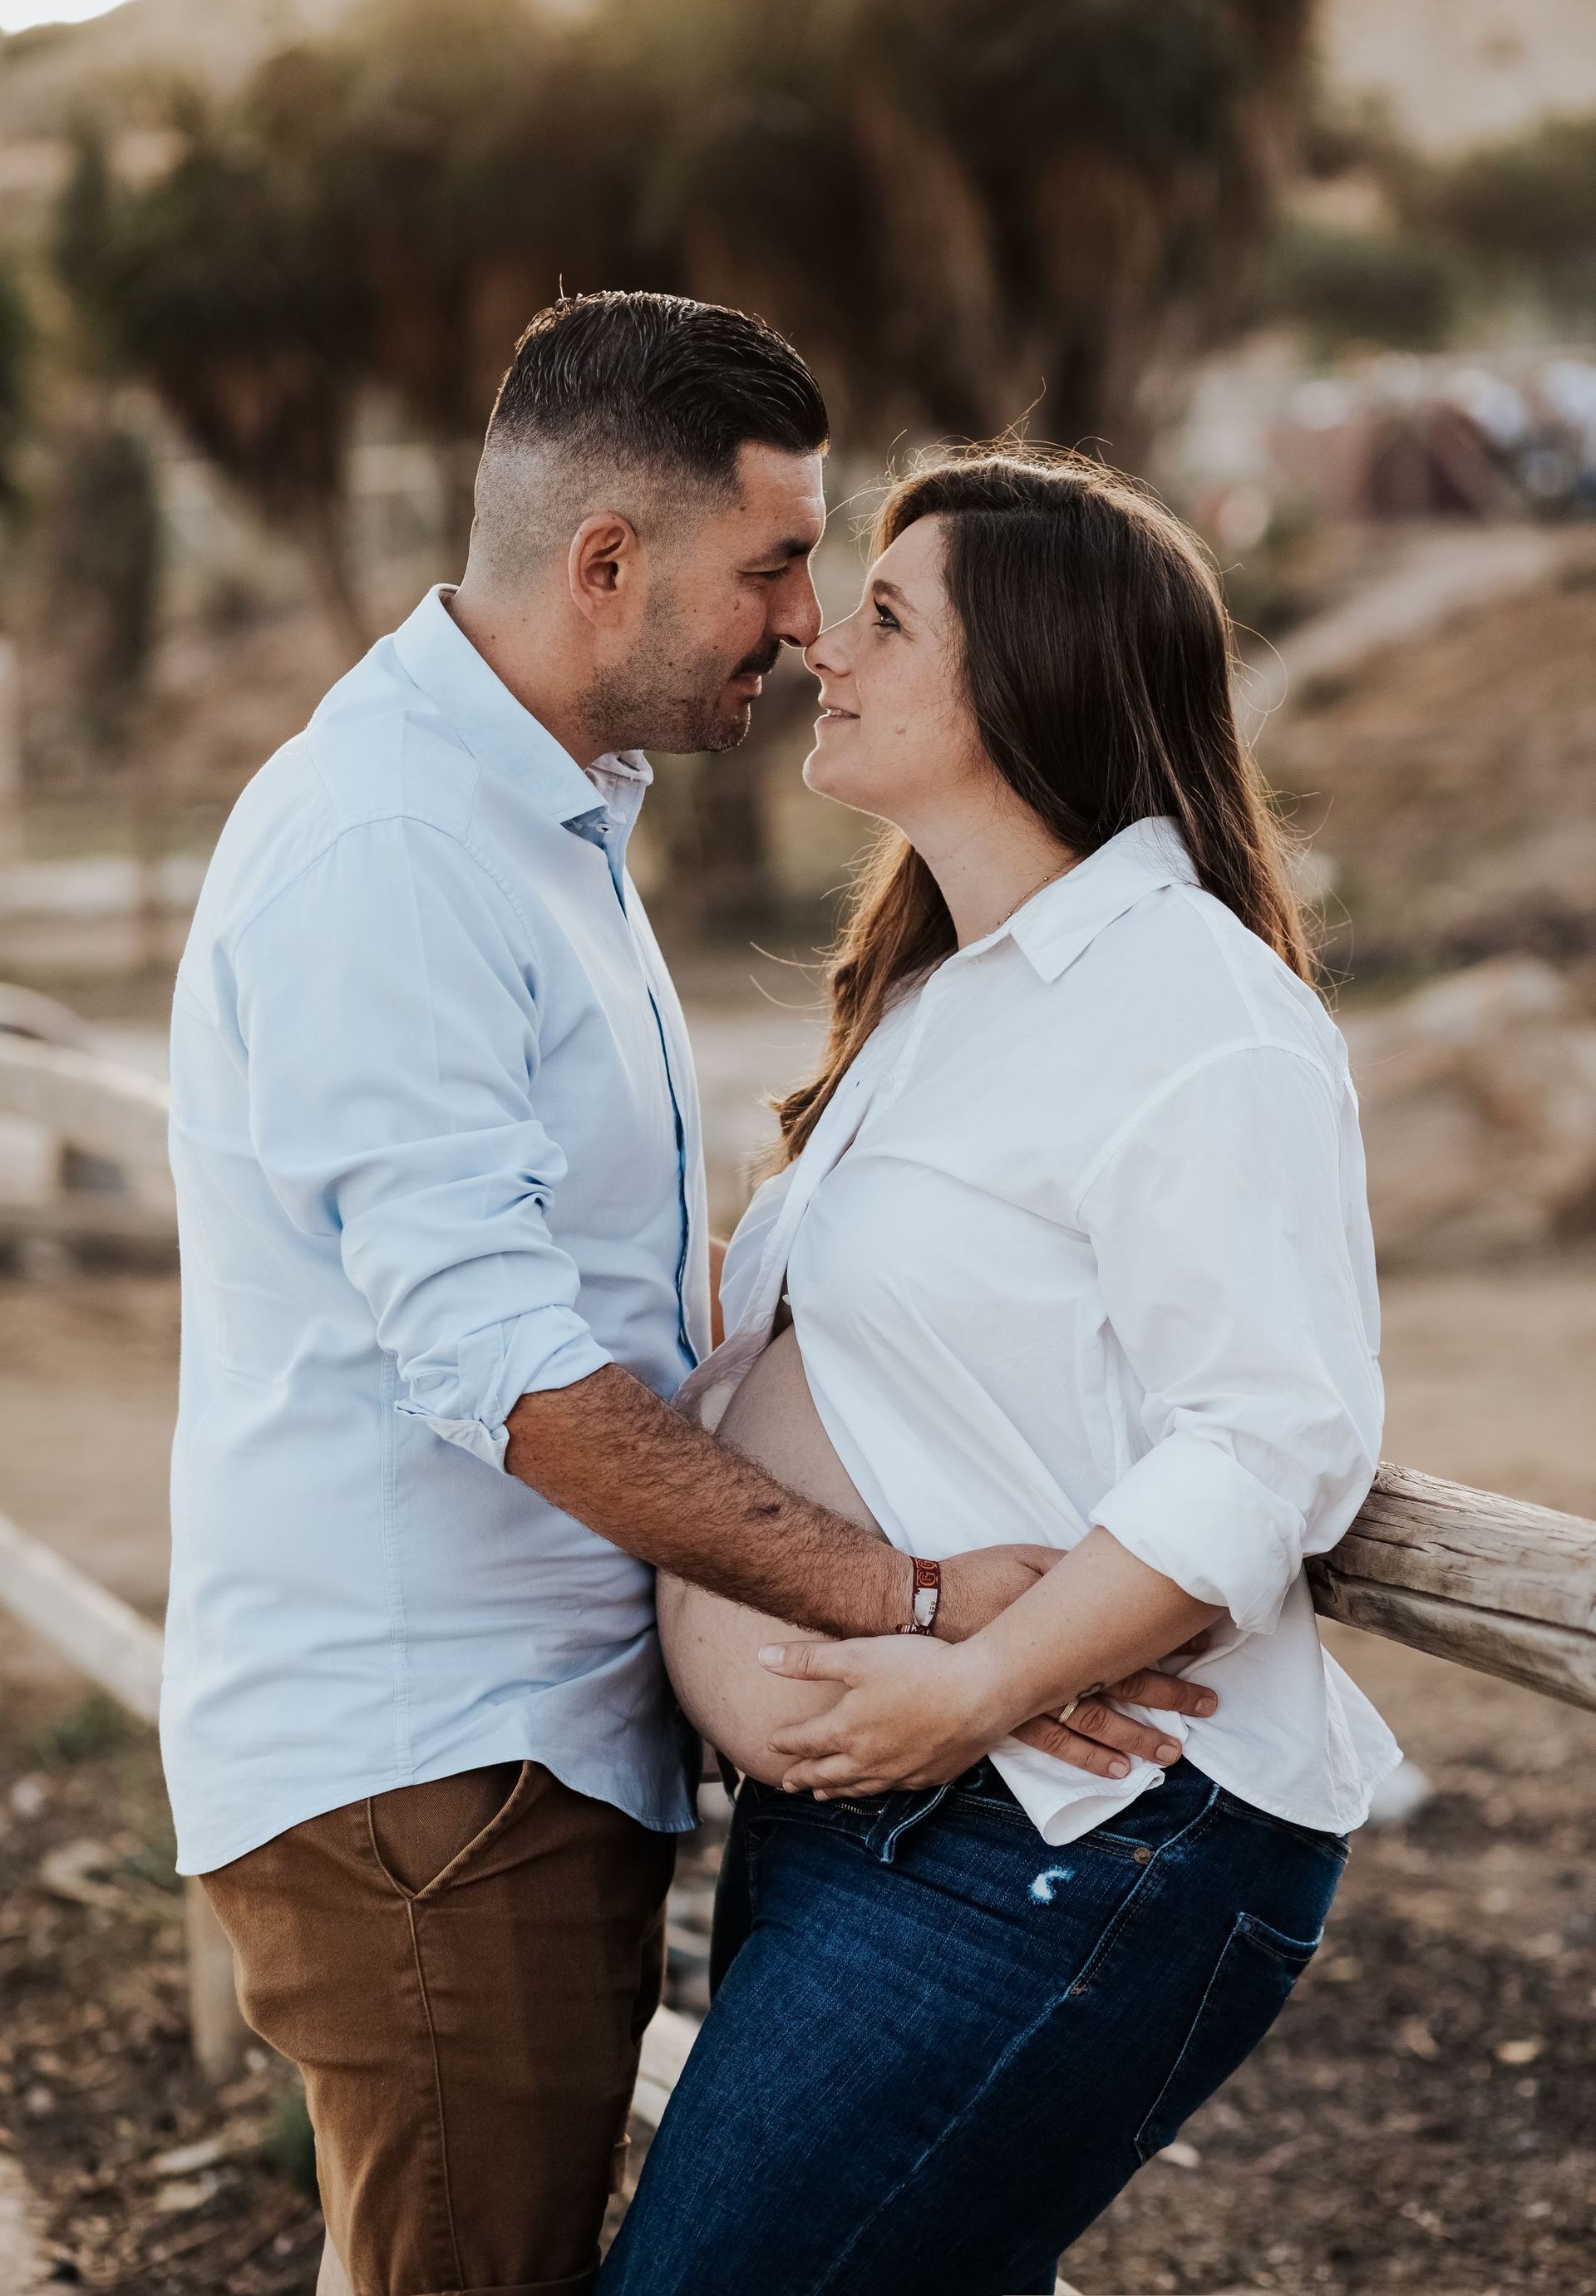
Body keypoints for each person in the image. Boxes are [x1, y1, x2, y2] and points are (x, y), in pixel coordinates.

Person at [163, 296, 1211, 2296]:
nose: (807, 623)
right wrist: (912, 1603)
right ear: (608, 563)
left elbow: (606, 1292)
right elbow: (517, 1374)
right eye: (774, 565)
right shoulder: (397, 848)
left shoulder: (534, 821)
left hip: (508, 1759)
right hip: (430, 1776)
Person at [603, 452, 1401, 2296]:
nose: (821, 642)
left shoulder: (1197, 1015)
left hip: (1070, 1836)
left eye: (886, 614)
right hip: (882, 1813)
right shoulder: (942, 998)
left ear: (1027, 679)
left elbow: (1275, 1438)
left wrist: (975, 1693)